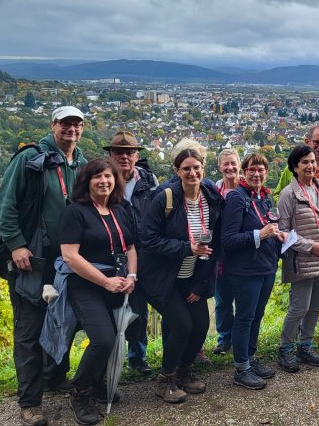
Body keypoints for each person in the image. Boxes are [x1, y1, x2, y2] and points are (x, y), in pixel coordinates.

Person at [0, 105, 88, 426]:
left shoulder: (83, 164)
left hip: (64, 265)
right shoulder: (30, 159)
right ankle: (30, 402)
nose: (71, 130)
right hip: (32, 262)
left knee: (61, 320)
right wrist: (16, 245)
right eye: (65, 124)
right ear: (53, 125)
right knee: (30, 327)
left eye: (76, 124)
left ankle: (54, 376)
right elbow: (4, 205)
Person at [140, 147, 223, 404]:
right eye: (186, 168)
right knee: (182, 325)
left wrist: (200, 283)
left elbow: (215, 244)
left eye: (196, 167)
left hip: (191, 276)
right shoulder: (165, 198)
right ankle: (165, 379)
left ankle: (184, 371)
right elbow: (148, 239)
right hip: (162, 278)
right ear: (177, 171)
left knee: (200, 326)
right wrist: (187, 247)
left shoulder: (211, 198)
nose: (192, 172)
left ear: (203, 169)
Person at [58, 159, 137, 424]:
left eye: (108, 176)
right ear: (86, 181)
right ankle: (80, 391)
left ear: (116, 180)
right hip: (86, 285)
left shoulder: (121, 208)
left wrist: (132, 275)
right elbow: (69, 255)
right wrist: (104, 281)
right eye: (97, 177)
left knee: (115, 338)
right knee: (103, 338)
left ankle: (97, 382)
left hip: (119, 283)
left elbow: (131, 247)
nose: (104, 181)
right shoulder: (76, 211)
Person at [220, 152, 286, 390]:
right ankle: (241, 368)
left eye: (261, 170)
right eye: (252, 170)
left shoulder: (263, 199)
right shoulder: (237, 198)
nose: (257, 174)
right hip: (245, 270)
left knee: (256, 316)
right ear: (243, 173)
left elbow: (268, 226)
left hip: (266, 266)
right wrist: (261, 234)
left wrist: (279, 236)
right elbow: (227, 239)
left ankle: (251, 358)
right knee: (245, 318)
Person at [274, 125, 319, 340]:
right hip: (302, 260)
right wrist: (311, 246)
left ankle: (306, 345)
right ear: (295, 167)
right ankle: (286, 348)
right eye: (305, 162)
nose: (311, 166)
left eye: (313, 162)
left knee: (315, 307)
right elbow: (283, 231)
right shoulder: (288, 194)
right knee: (299, 308)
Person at [104, 131, 158, 376]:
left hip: (144, 253)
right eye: (119, 152)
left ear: (137, 155)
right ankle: (110, 363)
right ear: (110, 155)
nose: (125, 157)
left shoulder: (149, 180)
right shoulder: (103, 179)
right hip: (110, 254)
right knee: (110, 308)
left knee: (139, 307)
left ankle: (138, 358)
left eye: (130, 152)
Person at [212, 149, 241, 355]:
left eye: (233, 163)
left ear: (239, 165)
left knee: (243, 300)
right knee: (222, 301)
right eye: (226, 164)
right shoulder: (213, 190)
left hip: (242, 253)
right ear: (219, 167)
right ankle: (225, 338)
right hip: (220, 254)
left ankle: (241, 337)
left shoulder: (246, 187)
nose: (230, 168)